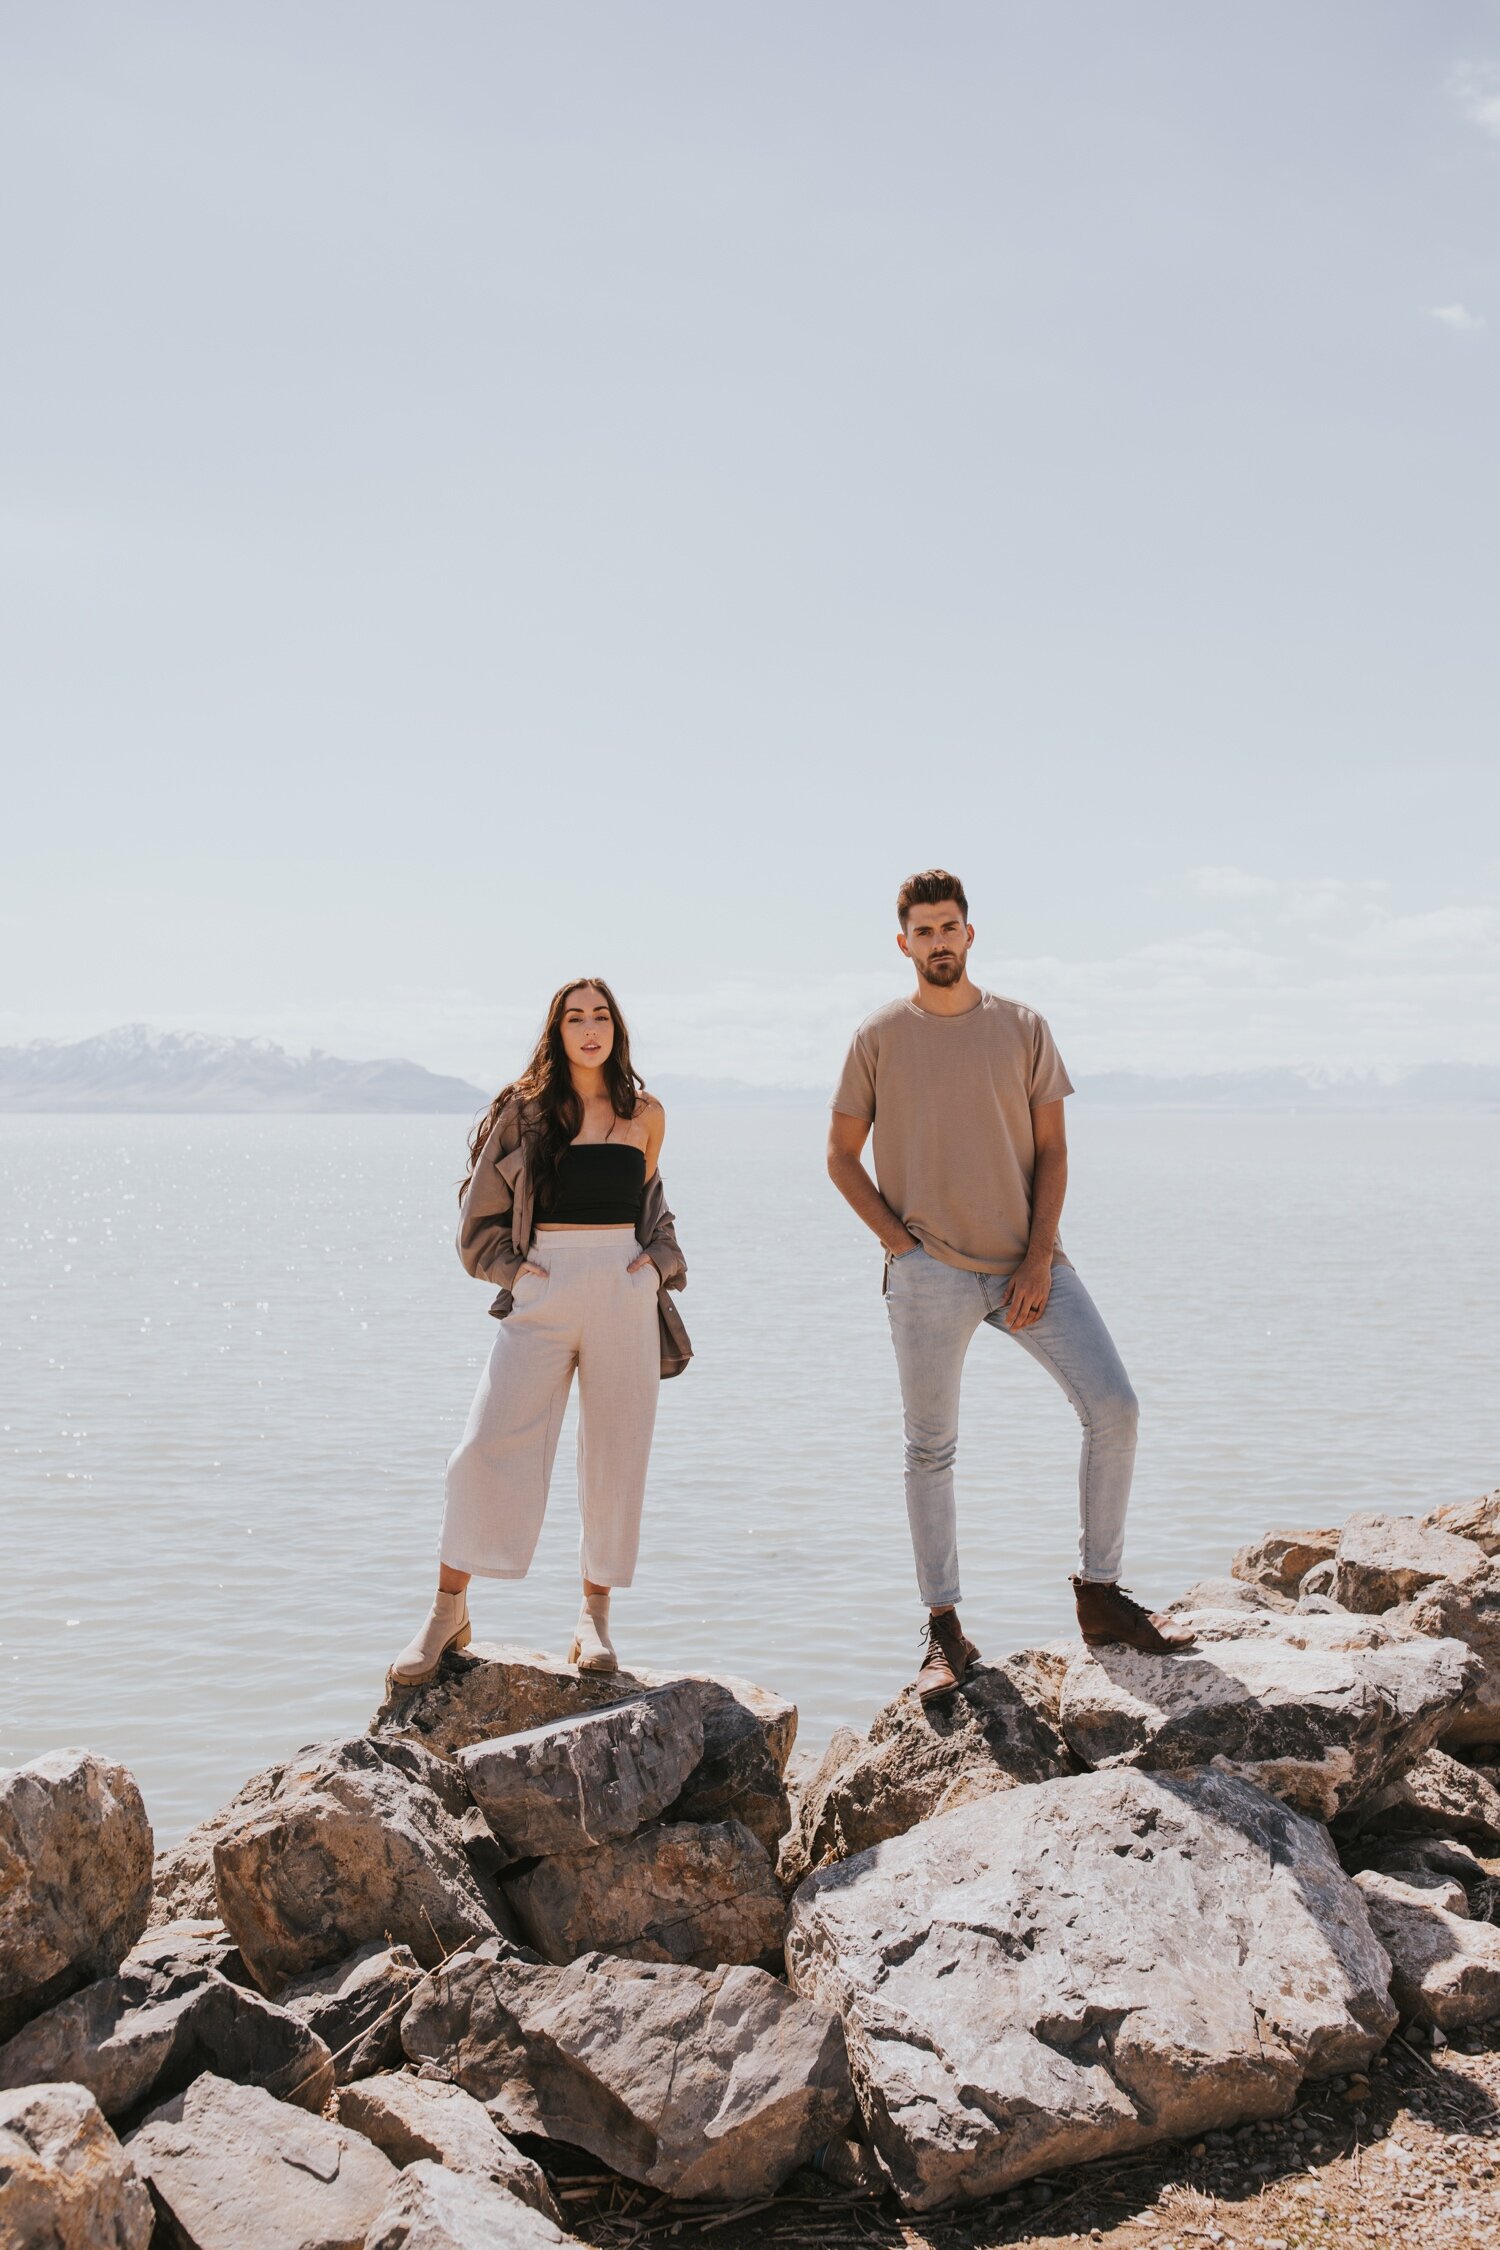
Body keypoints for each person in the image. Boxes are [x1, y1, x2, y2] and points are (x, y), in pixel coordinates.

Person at [827, 869, 1192, 1703]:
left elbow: (1054, 1151)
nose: (939, 941)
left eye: (950, 926)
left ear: (970, 933)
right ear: (904, 943)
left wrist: (1037, 1259)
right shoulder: (877, 1036)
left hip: (1028, 1264)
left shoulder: (1023, 1027)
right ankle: (944, 1630)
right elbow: (841, 1157)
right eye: (924, 931)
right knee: (930, 1448)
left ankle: (1099, 1594)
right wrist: (901, 1248)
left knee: (1114, 1407)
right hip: (929, 1275)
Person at [389, 977, 690, 1689]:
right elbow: (479, 1224)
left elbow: (653, 1211)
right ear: (557, 1032)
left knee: (616, 1457)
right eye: (575, 1018)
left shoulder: (645, 1113)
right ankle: (447, 1611)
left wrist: (654, 1270)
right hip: (543, 1290)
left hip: (623, 1292)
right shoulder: (526, 1112)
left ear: (618, 1028)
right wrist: (520, 1277)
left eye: (602, 1016)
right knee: (484, 1447)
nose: (590, 1029)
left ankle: (594, 1619)